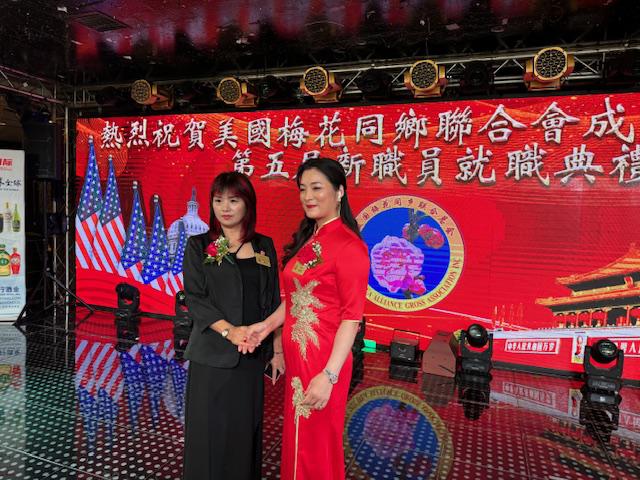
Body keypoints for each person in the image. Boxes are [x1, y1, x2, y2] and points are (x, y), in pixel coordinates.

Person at [242, 157, 370, 480]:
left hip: (324, 359)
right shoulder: (311, 239)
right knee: (299, 440)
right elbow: (296, 299)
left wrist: (329, 375)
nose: (307, 197)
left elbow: (352, 319)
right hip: (300, 358)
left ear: (339, 192)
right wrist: (266, 327)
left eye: (316, 188)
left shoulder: (349, 247)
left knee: (317, 446)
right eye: (302, 189)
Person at [181, 172, 283, 480]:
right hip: (212, 355)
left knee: (244, 433)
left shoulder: (264, 246)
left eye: (233, 200)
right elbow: (195, 299)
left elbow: (272, 300)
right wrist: (229, 331)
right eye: (218, 200)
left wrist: (276, 350)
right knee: (208, 434)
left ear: (247, 204)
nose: (225, 208)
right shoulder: (199, 245)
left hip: (251, 355)